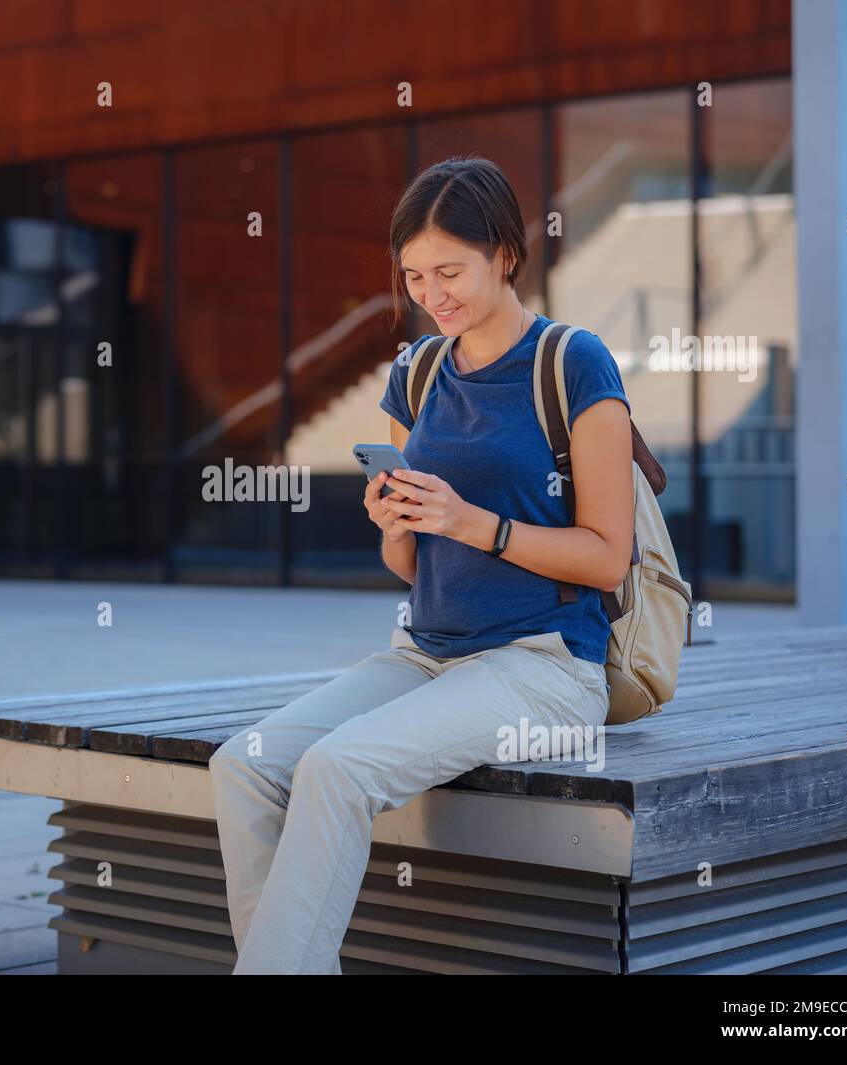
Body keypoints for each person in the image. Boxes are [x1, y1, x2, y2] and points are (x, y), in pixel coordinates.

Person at [209, 155, 635, 975]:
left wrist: (475, 523)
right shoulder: (419, 371)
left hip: (545, 668)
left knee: (336, 768)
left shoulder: (574, 362)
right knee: (247, 764)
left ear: (506, 254)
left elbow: (609, 557)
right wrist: (396, 524)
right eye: (413, 275)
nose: (432, 294)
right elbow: (409, 567)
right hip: (429, 654)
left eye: (451, 270)